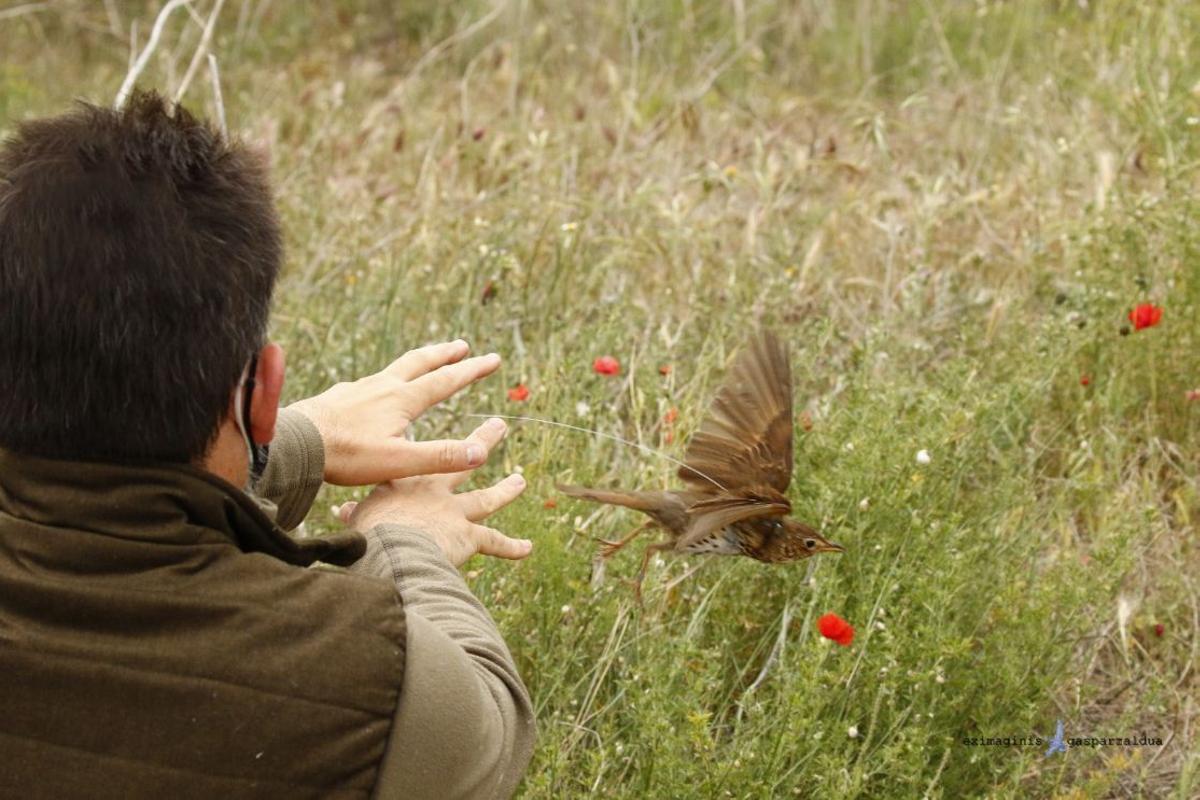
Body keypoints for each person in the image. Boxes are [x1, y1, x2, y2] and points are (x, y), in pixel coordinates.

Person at [0, 90, 535, 799]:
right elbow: (493, 722)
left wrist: (292, 444)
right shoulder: (373, 682)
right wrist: (408, 547)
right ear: (263, 390)